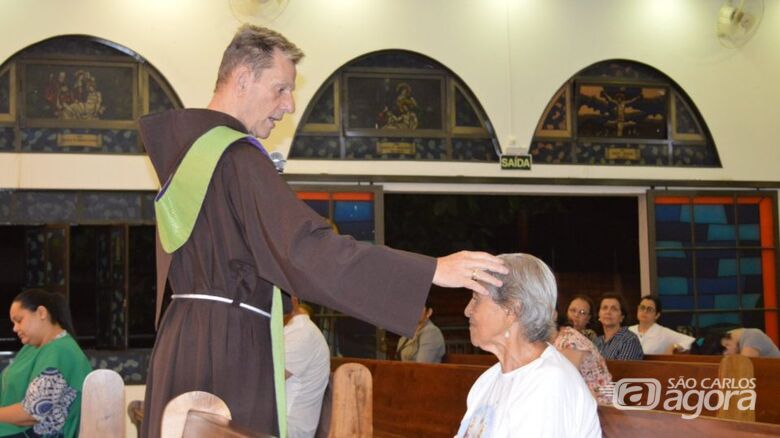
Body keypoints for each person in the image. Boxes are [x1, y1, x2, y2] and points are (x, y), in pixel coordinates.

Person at [138, 24, 507, 438]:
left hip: (186, 339)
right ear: (242, 79)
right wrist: (432, 270)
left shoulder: (191, 153)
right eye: (280, 89)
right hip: (227, 349)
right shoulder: (236, 157)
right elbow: (306, 252)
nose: (289, 105)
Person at [456, 254, 601, 437]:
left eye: (476, 298)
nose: (467, 310)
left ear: (512, 309)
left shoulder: (548, 383)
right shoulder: (488, 380)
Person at [0, 289, 92, 438]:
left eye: (19, 320)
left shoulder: (61, 350)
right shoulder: (32, 347)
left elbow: (31, 413)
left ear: (41, 313)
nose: (15, 328)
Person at [284, 297, 330, 438]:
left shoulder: (302, 333)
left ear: (292, 301)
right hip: (281, 420)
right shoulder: (293, 330)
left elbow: (269, 378)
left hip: (290, 426)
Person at [552, 315, 612, 405]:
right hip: (578, 403)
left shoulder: (569, 341)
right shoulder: (557, 337)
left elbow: (562, 385)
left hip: (601, 409)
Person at [628, 295, 695, 355]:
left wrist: (674, 346)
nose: (645, 311)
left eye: (650, 309)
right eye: (642, 307)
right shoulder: (628, 330)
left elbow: (690, 341)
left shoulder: (663, 332)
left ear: (657, 315)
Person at [396, 297, 446, 363]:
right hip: (407, 372)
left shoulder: (431, 332)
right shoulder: (410, 329)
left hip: (423, 372)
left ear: (429, 312)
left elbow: (421, 366)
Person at [595, 293, 643, 360]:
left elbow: (623, 369)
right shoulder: (597, 341)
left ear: (622, 317)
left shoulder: (629, 340)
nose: (608, 312)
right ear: (599, 315)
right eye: (604, 308)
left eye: (614, 309)